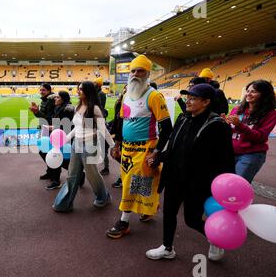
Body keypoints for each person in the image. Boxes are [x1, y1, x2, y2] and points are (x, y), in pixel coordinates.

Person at [146, 83, 235, 261]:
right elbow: (174, 147)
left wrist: (224, 187)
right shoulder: (182, 118)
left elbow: (226, 161)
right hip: (173, 177)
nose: (188, 101)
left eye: (193, 98)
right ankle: (167, 247)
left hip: (198, 182)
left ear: (206, 102)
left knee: (192, 219)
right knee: (169, 213)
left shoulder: (218, 126)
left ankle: (215, 238)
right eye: (188, 97)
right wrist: (158, 157)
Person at [106, 55, 173, 238]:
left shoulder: (154, 96)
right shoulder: (127, 95)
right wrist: (117, 145)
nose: (135, 74)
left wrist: (156, 152)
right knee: (141, 183)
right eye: (133, 71)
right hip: (127, 149)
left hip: (145, 149)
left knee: (130, 185)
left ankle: (123, 222)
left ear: (148, 73)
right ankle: (149, 206)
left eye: (140, 71)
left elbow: (167, 128)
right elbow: (120, 123)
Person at [53, 81, 114, 212]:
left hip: (90, 145)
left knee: (93, 175)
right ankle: (64, 203)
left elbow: (103, 130)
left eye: (81, 89)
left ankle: (103, 197)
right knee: (72, 175)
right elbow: (77, 128)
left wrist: (113, 146)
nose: (78, 91)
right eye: (78, 88)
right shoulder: (78, 106)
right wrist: (66, 139)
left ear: (88, 91)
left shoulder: (95, 109)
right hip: (76, 144)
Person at [223, 80, 276, 183]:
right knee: (226, 183)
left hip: (251, 155)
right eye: (248, 90)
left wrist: (240, 125)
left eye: (254, 91)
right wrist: (224, 124)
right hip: (230, 152)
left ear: (264, 94)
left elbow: (260, 137)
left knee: (236, 185)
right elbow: (230, 131)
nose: (248, 94)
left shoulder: (271, 114)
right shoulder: (237, 109)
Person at [38, 91, 75, 189]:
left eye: (57, 97)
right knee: (44, 152)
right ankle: (51, 173)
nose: (55, 99)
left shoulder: (67, 110)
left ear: (63, 99)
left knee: (56, 156)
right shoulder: (58, 108)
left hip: (64, 137)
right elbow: (53, 119)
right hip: (56, 136)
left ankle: (56, 180)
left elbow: (65, 126)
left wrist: (51, 127)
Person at [29, 83, 56, 180]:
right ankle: (50, 171)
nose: (41, 92)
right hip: (45, 128)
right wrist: (36, 112)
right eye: (40, 90)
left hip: (51, 129)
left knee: (49, 152)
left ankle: (54, 173)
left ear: (49, 91)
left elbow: (49, 118)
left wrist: (37, 111)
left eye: (43, 90)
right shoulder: (44, 100)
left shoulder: (51, 101)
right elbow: (42, 116)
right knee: (45, 151)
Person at [109, 83, 128, 188]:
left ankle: (123, 176)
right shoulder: (120, 102)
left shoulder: (132, 104)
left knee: (123, 156)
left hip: (127, 135)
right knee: (116, 154)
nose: (125, 90)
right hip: (119, 133)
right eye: (124, 89)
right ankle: (124, 173)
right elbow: (117, 119)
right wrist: (112, 129)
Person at [94, 77, 110, 176]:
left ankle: (106, 167)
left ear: (98, 85)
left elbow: (99, 107)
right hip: (97, 120)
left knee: (102, 145)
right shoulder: (98, 94)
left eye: (95, 84)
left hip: (99, 121)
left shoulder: (101, 94)